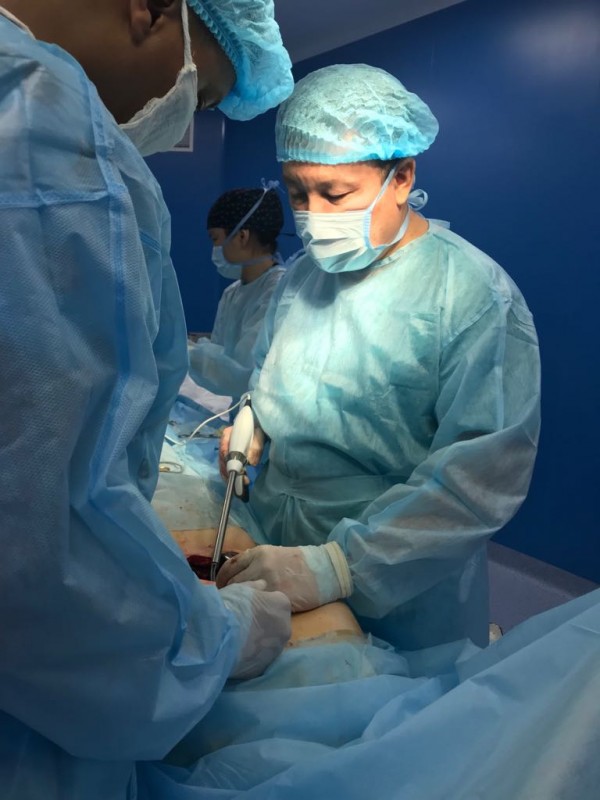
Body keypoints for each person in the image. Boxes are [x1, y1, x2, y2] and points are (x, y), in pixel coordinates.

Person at [0, 2, 294, 797]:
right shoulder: (39, 118)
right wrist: (211, 638)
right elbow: (44, 552)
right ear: (153, 8)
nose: (181, 119)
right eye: (202, 95)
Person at [217, 64, 541, 653]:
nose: (313, 216)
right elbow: (269, 374)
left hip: (398, 581)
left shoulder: (471, 295)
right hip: (276, 540)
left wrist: (339, 566)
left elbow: (478, 479)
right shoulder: (302, 280)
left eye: (336, 194)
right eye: (297, 194)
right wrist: (254, 418)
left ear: (402, 176)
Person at [188, 185, 286, 404]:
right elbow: (220, 357)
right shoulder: (232, 293)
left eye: (215, 239)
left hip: (266, 415)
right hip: (238, 412)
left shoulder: (279, 292)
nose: (214, 248)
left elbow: (241, 372)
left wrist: (182, 352)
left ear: (242, 236)